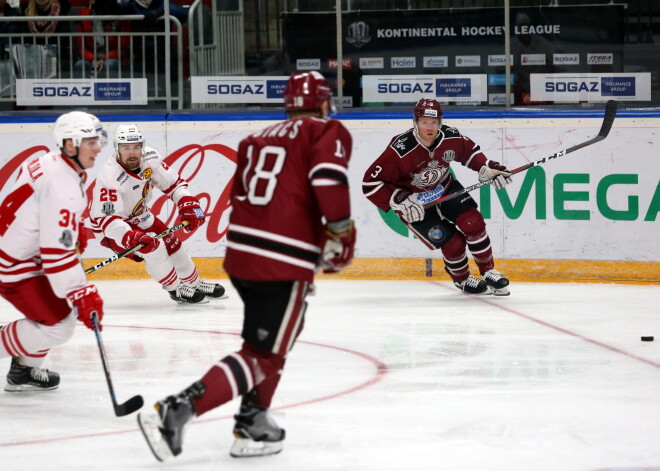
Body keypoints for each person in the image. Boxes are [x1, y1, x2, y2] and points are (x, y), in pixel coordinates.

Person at [136, 71, 356, 461]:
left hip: (242, 255)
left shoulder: (259, 138)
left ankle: (253, 421)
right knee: (265, 354)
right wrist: (340, 234)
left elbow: (245, 196)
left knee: (270, 342)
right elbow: (328, 182)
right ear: (324, 102)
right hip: (282, 260)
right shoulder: (326, 131)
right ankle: (177, 409)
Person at [0, 111, 106, 391]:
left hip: (15, 252)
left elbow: (39, 211)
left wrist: (73, 228)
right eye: (91, 142)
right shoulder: (63, 186)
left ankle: (24, 370)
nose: (98, 148)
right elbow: (55, 256)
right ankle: (20, 361)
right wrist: (81, 291)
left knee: (54, 310)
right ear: (70, 145)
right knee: (59, 325)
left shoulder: (45, 161)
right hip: (13, 265)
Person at [362, 98, 512, 295]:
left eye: (434, 122)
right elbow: (370, 183)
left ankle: (488, 271)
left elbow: (469, 152)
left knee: (473, 223)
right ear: (415, 122)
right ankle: (463, 280)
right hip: (415, 204)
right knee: (453, 242)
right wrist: (399, 199)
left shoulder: (450, 137)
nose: (429, 127)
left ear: (440, 122)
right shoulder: (400, 150)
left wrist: (484, 167)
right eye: (424, 122)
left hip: (445, 188)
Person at [88, 123, 226, 304]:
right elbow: (107, 220)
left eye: (136, 147)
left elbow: (174, 185)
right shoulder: (110, 176)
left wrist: (187, 203)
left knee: (172, 243)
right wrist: (130, 236)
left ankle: (195, 283)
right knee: (155, 247)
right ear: (117, 148)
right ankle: (176, 289)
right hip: (112, 228)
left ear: (142, 146)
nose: (132, 153)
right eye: (126, 148)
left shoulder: (150, 158)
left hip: (141, 215)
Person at [73, 0, 130, 79]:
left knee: (109, 64)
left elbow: (123, 48)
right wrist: (93, 59)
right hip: (91, 59)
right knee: (79, 65)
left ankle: (111, 91)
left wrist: (103, 59)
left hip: (113, 59)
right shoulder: (84, 14)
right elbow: (81, 47)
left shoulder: (118, 16)